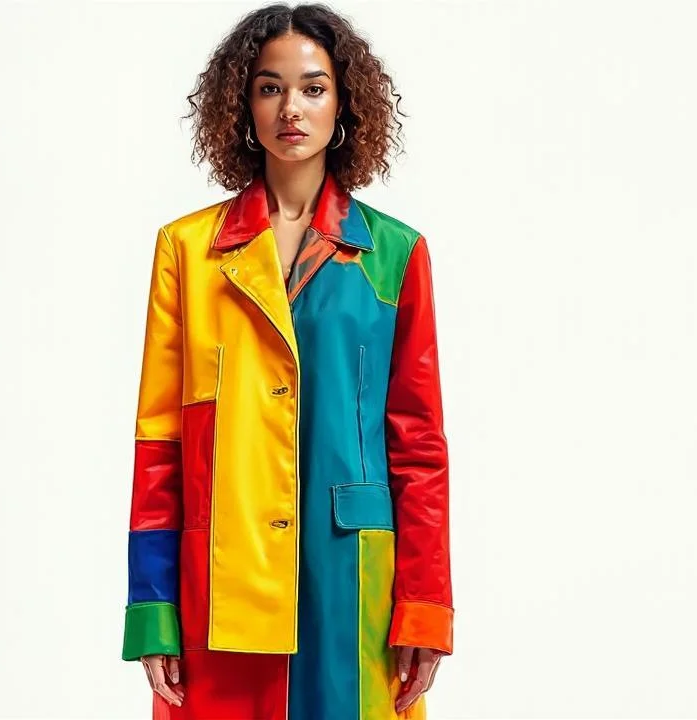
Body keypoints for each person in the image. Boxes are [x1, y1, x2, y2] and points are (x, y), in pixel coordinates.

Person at [120, 4, 452, 718]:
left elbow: (419, 445)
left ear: (344, 103)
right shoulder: (189, 252)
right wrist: (152, 608)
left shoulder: (395, 255)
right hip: (223, 581)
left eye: (312, 87)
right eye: (269, 88)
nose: (291, 108)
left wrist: (425, 607)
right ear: (242, 105)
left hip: (354, 577)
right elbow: (160, 445)